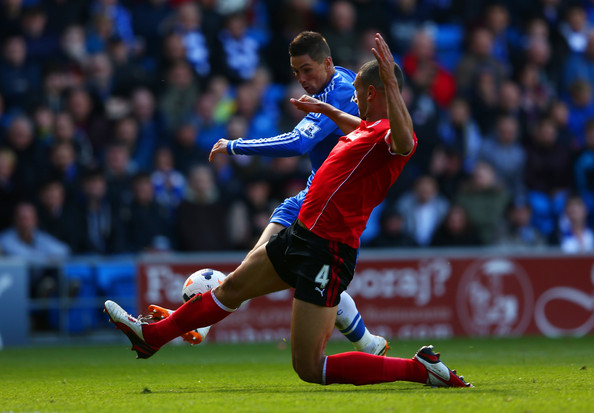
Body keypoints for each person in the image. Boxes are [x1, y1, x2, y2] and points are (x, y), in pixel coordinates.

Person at [105, 33, 471, 388]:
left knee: (309, 367)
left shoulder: (394, 134)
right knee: (231, 287)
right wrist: (327, 110)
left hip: (327, 250)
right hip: (302, 232)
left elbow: (405, 142)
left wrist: (391, 85)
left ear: (375, 93)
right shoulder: (367, 127)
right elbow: (359, 126)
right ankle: (152, 337)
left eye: (359, 94)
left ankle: (419, 370)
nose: (353, 99)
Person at [206, 31, 387, 355]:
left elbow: (297, 142)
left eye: (307, 70)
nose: (302, 79)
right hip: (309, 194)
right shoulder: (338, 79)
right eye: (295, 72)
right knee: (254, 265)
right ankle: (368, 344)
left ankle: (368, 344)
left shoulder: (340, 92)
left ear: (327, 63)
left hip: (328, 203)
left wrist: (235, 145)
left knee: (272, 269)